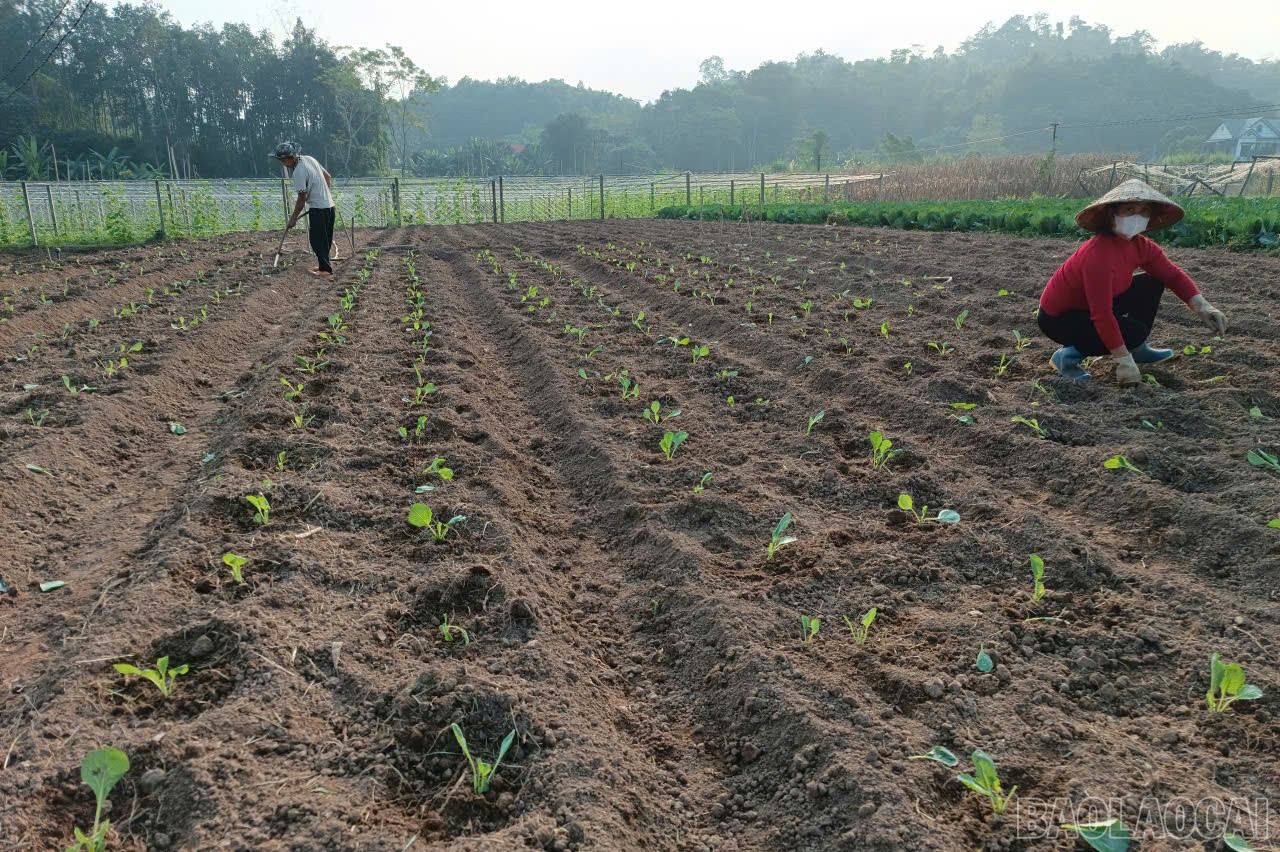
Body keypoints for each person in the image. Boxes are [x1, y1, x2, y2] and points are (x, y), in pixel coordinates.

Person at [1037, 179, 1228, 384]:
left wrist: (1203, 307)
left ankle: (1137, 348)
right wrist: (1123, 361)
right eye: (1130, 209)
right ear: (1112, 213)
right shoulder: (1098, 256)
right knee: (1131, 332)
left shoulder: (1140, 245)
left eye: (1144, 210)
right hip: (1060, 318)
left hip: (1095, 305)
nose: (1138, 216)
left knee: (1151, 283)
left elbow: (1172, 275)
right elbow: (1101, 314)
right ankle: (1067, 357)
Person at [272, 142, 337, 278]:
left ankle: (325, 269)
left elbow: (302, 197)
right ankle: (323, 265)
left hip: (319, 209)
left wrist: (293, 218)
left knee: (317, 240)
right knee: (324, 239)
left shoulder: (298, 172)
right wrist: (323, 195)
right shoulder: (309, 159)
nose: (283, 163)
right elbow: (328, 177)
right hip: (329, 206)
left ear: (291, 158)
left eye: (284, 160)